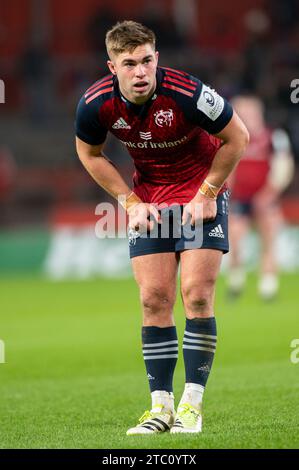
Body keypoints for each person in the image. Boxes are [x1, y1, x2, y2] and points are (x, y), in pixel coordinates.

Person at [75, 20, 249, 435]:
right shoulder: (95, 103)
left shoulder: (189, 93)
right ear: (111, 66)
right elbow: (90, 153)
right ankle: (160, 409)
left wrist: (207, 192)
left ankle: (192, 406)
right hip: (149, 202)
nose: (140, 71)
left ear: (157, 59)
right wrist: (129, 203)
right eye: (129, 63)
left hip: (199, 198)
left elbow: (238, 137)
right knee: (154, 299)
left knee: (196, 294)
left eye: (147, 61)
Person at [227, 95, 294, 300]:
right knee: (234, 241)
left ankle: (268, 287)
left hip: (266, 198)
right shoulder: (231, 136)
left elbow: (284, 167)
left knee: (269, 240)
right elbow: (227, 167)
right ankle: (236, 282)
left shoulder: (274, 136)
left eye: (248, 111)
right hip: (240, 199)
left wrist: (268, 194)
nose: (245, 116)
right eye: (241, 111)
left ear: (258, 112)